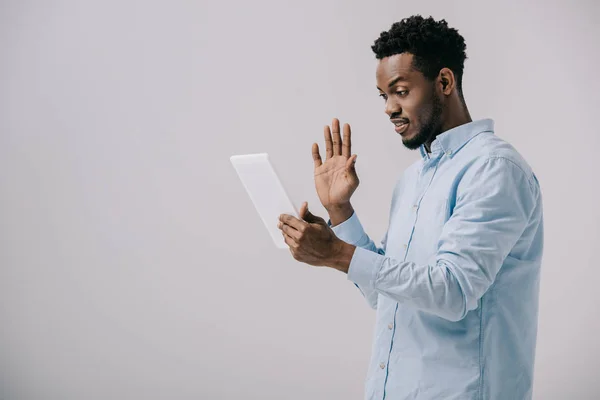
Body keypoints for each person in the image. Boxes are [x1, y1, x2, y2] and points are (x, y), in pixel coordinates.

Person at [277, 15, 543, 400]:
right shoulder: (413, 179)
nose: (389, 108)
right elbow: (387, 293)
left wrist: (337, 253)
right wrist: (341, 214)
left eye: (400, 91)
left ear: (444, 82)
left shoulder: (493, 169)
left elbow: (453, 291)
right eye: (384, 96)